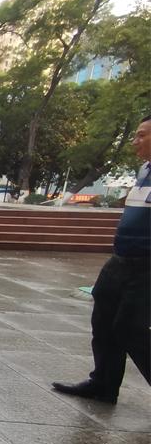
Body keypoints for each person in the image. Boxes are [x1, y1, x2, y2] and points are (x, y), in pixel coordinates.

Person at [53, 114, 151, 404]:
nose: (135, 141)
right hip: (121, 258)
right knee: (104, 320)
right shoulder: (144, 169)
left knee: (130, 327)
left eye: (141, 135)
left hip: (147, 264)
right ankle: (103, 384)